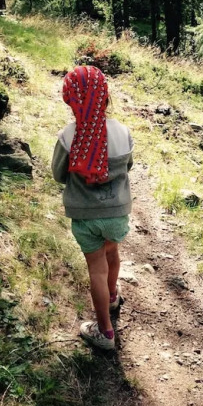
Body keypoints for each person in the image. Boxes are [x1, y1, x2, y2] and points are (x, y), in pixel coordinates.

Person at [51, 65, 133, 351]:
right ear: (105, 96)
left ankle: (105, 332)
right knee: (112, 253)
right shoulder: (122, 132)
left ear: (70, 100)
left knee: (96, 268)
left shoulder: (68, 136)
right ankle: (112, 296)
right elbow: (128, 167)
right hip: (117, 213)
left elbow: (58, 174)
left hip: (85, 217)